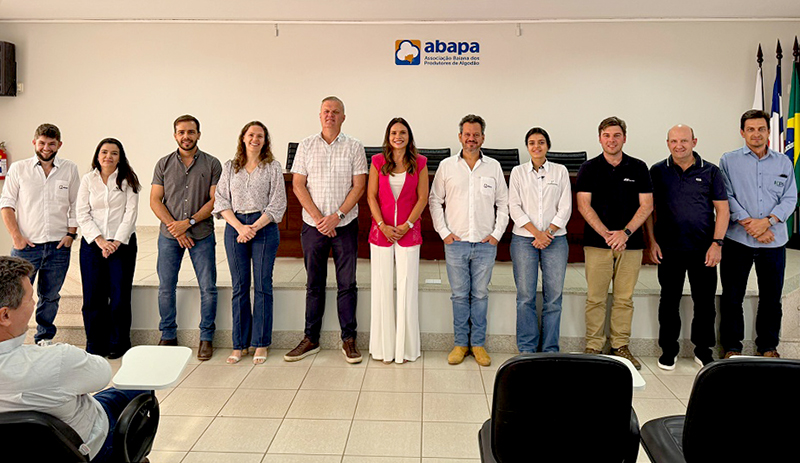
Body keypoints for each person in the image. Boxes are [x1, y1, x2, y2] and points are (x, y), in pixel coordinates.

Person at [0, 256, 150, 463]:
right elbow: (102, 374)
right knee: (141, 388)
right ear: (5, 316)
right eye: (30, 299)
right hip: (86, 450)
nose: (34, 304)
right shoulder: (56, 360)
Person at [285, 96, 368, 364]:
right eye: (326, 111)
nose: (330, 115)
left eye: (335, 111)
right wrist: (320, 218)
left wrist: (337, 216)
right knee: (314, 284)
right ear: (320, 116)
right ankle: (311, 339)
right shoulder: (306, 145)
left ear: (344, 117)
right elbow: (298, 184)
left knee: (347, 284)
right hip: (313, 226)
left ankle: (349, 339)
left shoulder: (355, 146)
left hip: (345, 225)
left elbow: (359, 186)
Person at [645, 125, 729, 369]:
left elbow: (723, 210)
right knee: (668, 301)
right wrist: (652, 241)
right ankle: (668, 350)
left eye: (684, 140)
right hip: (668, 249)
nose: (678, 145)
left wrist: (717, 244)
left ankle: (703, 350)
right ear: (667, 143)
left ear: (694, 141)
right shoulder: (657, 171)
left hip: (703, 249)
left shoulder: (711, 171)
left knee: (704, 303)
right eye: (673, 141)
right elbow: (648, 209)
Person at [429, 114, 509, 366]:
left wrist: (496, 235)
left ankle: (478, 344)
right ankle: (460, 343)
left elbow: (503, 203)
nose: (471, 138)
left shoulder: (493, 167)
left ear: (483, 138)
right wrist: (444, 233)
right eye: (467, 134)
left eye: (476, 134)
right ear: (460, 136)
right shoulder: (447, 166)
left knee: (481, 295)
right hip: (456, 243)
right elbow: (434, 201)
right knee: (460, 295)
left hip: (485, 244)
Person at [718, 110, 797, 358]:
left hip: (774, 241)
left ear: (768, 132)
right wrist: (751, 225)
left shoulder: (783, 162)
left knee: (771, 298)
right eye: (750, 129)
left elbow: (790, 197)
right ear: (742, 132)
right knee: (733, 297)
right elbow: (726, 196)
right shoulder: (728, 161)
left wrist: (767, 222)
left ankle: (768, 346)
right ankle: (732, 347)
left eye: (761, 129)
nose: (756, 134)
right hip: (737, 240)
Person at [576, 116, 653, 370]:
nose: (611, 140)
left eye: (616, 135)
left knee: (624, 299)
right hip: (597, 244)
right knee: (595, 298)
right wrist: (607, 234)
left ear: (624, 138)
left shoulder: (639, 167)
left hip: (630, 244)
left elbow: (647, 206)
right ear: (600, 138)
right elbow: (583, 205)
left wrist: (625, 233)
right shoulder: (589, 168)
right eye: (607, 135)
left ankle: (620, 346)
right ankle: (593, 346)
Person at [214, 121, 286, 365]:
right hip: (235, 228)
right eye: (251, 135)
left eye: (260, 136)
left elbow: (278, 203)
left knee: (263, 285)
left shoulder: (272, 167)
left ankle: (261, 343)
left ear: (265, 141)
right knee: (240, 287)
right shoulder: (230, 166)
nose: (255, 139)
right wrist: (240, 228)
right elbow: (221, 201)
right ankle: (239, 344)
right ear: (243, 138)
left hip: (264, 228)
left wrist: (253, 228)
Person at [0, 123, 79, 346]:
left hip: (58, 247)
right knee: (14, 296)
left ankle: (44, 338)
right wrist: (16, 237)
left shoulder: (69, 169)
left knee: (50, 296)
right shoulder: (19, 169)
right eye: (42, 143)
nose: (46, 148)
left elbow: (76, 204)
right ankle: (11, 339)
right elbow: (6, 205)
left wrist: (70, 235)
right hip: (27, 247)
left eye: (51, 144)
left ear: (59, 145)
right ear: (34, 142)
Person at [150, 115, 222, 361]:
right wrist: (176, 229)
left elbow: (214, 201)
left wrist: (188, 223)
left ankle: (206, 338)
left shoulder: (212, 164)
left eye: (191, 132)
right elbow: (155, 200)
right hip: (169, 236)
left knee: (208, 287)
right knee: (165, 287)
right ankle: (168, 335)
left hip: (201, 234)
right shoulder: (163, 164)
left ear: (198, 134)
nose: (186, 136)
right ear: (175, 135)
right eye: (181, 132)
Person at [366, 117, 429, 364]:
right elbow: (371, 197)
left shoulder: (420, 162)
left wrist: (407, 225)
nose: (398, 136)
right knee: (382, 288)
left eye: (403, 132)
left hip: (408, 232)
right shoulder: (377, 161)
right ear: (388, 136)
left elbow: (422, 198)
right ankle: (383, 349)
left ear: (409, 136)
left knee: (406, 288)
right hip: (381, 232)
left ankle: (406, 349)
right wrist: (382, 225)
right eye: (394, 132)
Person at [76, 138, 141, 359]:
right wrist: (100, 241)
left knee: (119, 296)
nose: (108, 157)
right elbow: (82, 213)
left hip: (122, 245)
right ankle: (95, 343)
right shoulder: (88, 180)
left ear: (120, 157)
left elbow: (130, 214)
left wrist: (115, 242)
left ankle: (119, 342)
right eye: (104, 152)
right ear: (97, 155)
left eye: (114, 153)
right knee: (93, 297)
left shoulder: (129, 180)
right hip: (93, 245)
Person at [508, 127, 571, 353]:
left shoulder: (560, 171)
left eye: (541, 142)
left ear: (548, 146)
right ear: (527, 147)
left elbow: (565, 207)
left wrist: (548, 233)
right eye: (532, 143)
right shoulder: (517, 172)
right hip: (524, 240)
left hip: (556, 240)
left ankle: (550, 348)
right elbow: (514, 207)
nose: (537, 146)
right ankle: (527, 347)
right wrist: (537, 233)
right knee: (525, 296)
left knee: (553, 297)